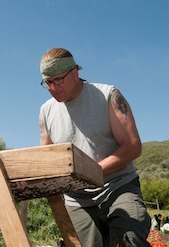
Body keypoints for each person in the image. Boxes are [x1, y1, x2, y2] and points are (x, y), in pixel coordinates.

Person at [39, 48, 151, 246]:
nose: (53, 88)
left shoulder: (107, 95)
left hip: (117, 187)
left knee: (131, 237)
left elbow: (133, 147)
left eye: (58, 80)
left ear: (75, 73)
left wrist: (91, 171)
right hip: (77, 199)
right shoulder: (46, 111)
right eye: (48, 82)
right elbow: (49, 161)